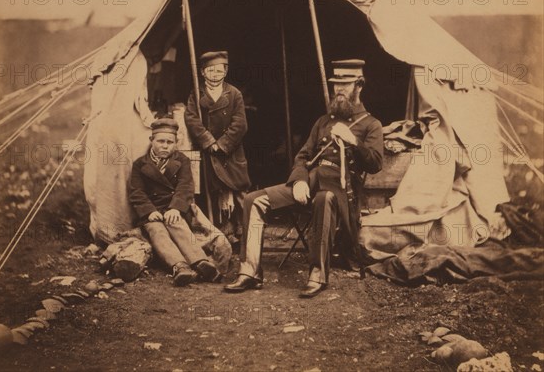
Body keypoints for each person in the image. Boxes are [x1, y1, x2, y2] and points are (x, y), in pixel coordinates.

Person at [224, 59, 383, 298]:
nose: (338, 90)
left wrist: (354, 142)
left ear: (359, 86)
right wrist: (298, 181)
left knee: (325, 199)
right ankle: (249, 271)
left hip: (341, 191)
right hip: (310, 182)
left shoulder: (371, 124)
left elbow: (375, 164)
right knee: (253, 200)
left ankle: (317, 274)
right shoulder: (322, 122)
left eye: (345, 84)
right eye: (335, 85)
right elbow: (303, 156)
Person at [128, 117, 222, 286]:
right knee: (158, 231)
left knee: (178, 225)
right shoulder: (140, 164)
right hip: (152, 212)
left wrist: (176, 208)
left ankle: (201, 262)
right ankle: (179, 266)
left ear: (176, 142)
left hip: (174, 208)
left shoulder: (182, 161)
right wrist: (149, 211)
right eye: (161, 141)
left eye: (170, 142)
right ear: (151, 140)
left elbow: (185, 186)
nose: (165, 146)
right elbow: (137, 192)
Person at [185, 51, 251, 243]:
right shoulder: (196, 93)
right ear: (203, 72)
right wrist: (208, 141)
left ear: (226, 71)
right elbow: (192, 119)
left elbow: (240, 124)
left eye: (219, 70)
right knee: (214, 192)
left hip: (230, 152)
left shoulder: (234, 93)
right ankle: (221, 232)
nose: (215, 74)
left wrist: (221, 144)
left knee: (239, 191)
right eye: (210, 70)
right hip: (209, 152)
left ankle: (244, 231)